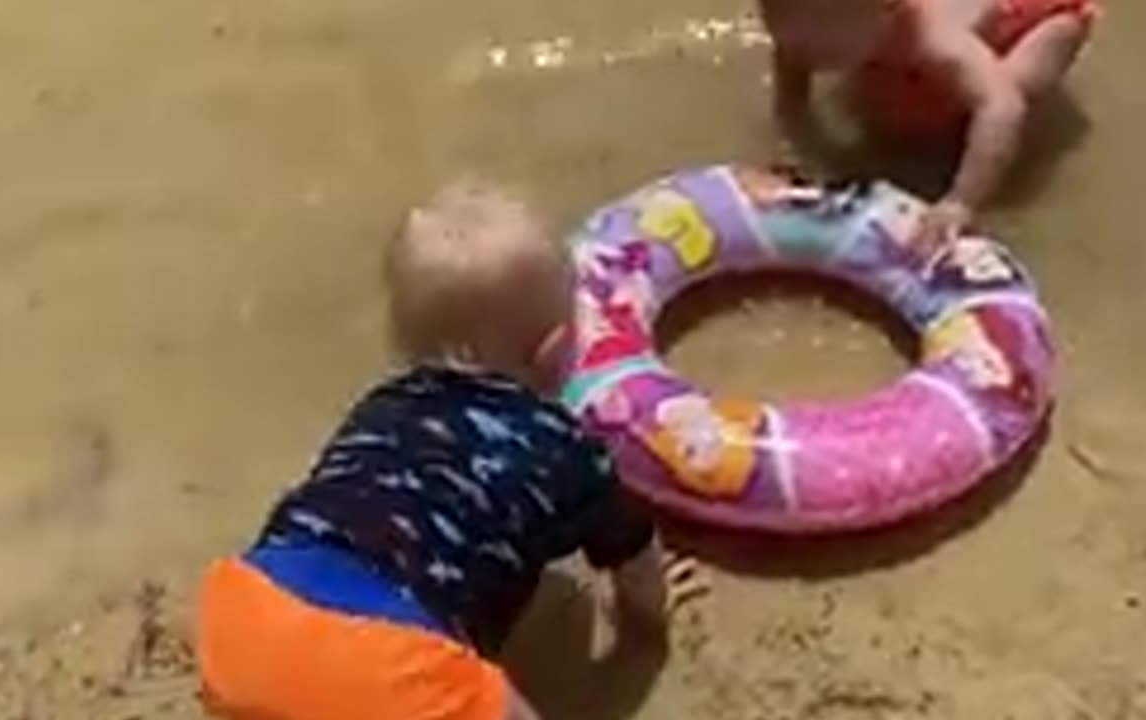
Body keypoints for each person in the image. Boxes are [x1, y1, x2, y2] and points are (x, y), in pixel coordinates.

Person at [196, 180, 678, 720]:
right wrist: (647, 627)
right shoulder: (566, 448)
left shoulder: (382, 405)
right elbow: (633, 558)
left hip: (245, 619)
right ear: (555, 351)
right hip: (384, 664)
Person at [761, 0, 1097, 246]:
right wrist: (796, 144)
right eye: (786, 38)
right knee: (887, 103)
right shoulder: (804, 29)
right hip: (899, 36)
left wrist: (961, 202)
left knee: (1009, 84)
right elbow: (792, 94)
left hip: (1037, 16)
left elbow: (1002, 106)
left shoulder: (930, 38)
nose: (804, 56)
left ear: (888, 12)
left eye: (823, 49)